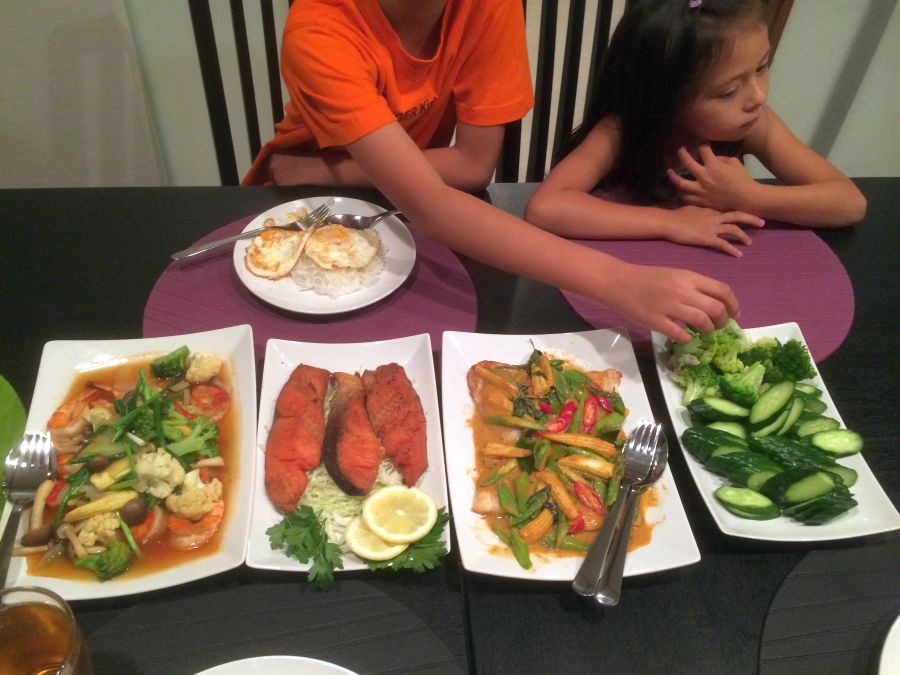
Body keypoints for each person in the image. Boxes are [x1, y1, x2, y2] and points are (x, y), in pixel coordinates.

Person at [243, 0, 742, 343]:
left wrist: (323, 171)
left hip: (378, 199)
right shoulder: (319, 29)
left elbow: (472, 165)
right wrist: (619, 281)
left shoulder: (489, 7)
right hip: (297, 214)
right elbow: (433, 204)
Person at [525, 0, 867, 258]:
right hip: (625, 267)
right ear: (664, 95)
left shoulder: (756, 124)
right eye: (728, 91)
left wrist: (752, 197)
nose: (758, 96)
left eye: (762, 67)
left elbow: (849, 202)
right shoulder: (621, 131)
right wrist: (670, 222)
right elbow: (546, 208)